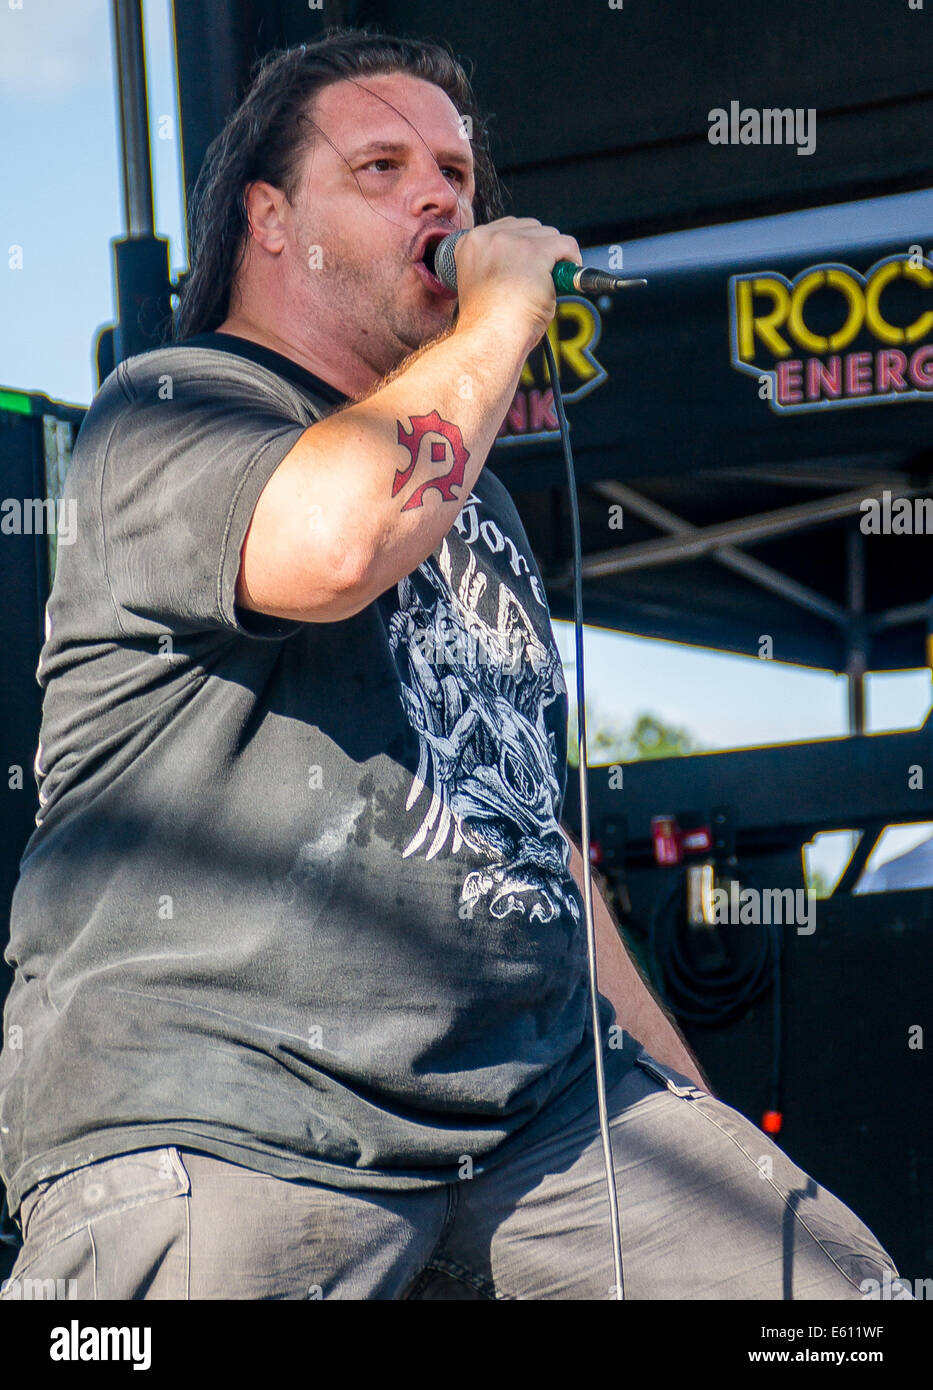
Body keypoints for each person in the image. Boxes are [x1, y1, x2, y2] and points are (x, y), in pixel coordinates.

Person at [0, 29, 908, 1301]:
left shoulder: (477, 512)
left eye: (456, 173)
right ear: (269, 218)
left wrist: (692, 1126)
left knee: (830, 1301)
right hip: (227, 1109)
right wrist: (506, 308)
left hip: (533, 1119)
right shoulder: (170, 406)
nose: (441, 196)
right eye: (380, 166)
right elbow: (336, 540)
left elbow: (536, 840)